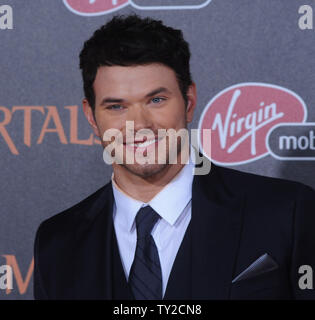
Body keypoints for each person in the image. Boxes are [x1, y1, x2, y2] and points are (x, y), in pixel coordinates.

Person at [34, 14, 315, 300]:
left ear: (189, 102)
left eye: (156, 100)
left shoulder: (287, 212)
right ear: (91, 117)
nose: (140, 124)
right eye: (117, 106)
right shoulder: (57, 242)